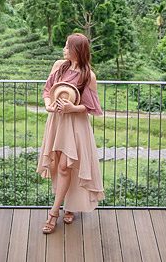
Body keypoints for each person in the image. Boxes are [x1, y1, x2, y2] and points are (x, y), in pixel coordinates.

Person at [37, 33, 105, 234]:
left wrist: (71, 108)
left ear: (77, 51)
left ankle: (53, 213)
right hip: (57, 121)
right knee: (58, 165)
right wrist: (49, 106)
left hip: (75, 125)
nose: (64, 49)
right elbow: (48, 91)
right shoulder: (59, 66)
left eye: (67, 47)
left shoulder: (88, 75)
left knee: (68, 166)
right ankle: (69, 205)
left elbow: (91, 107)